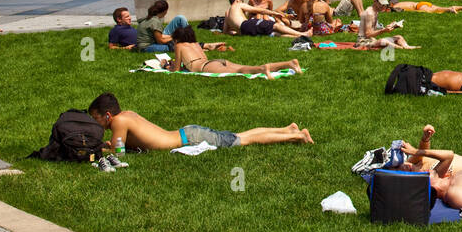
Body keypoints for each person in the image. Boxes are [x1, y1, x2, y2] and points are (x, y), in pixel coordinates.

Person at [88, 93, 313, 151]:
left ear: (107, 115)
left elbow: (119, 154)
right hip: (188, 134)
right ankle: (287, 129)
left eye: (95, 118)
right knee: (241, 136)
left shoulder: (118, 122)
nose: (95, 122)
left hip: (190, 138)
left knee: (243, 140)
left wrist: (101, 149)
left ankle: (296, 135)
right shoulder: (127, 114)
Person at [164, 26, 301, 77]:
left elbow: (176, 70)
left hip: (206, 66)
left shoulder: (179, 46)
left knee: (241, 71)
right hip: (214, 62)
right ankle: (289, 63)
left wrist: (167, 66)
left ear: (177, 39)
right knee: (242, 68)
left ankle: (263, 69)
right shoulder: (195, 44)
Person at [225, 0, 300, 37]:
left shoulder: (227, 13)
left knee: (274, 34)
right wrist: (274, 13)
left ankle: (296, 36)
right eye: (242, 0)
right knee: (275, 25)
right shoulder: (238, 5)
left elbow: (225, 31)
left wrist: (235, 33)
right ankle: (302, 34)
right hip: (246, 25)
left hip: (244, 32)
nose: (242, 2)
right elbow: (259, 10)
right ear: (237, 0)